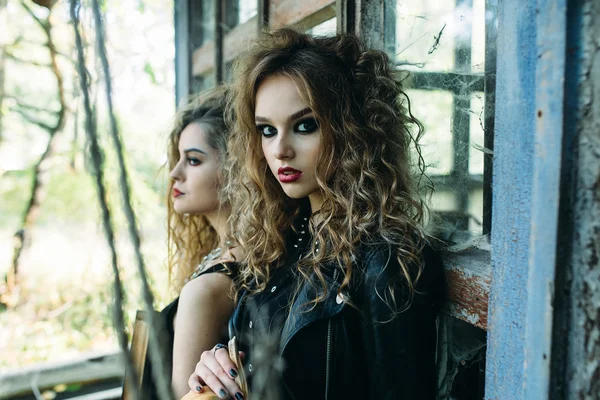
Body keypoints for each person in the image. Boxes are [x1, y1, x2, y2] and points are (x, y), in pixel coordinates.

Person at [188, 28, 446, 400]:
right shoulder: (277, 243)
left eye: (305, 126)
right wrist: (215, 366)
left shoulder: (386, 261)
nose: (280, 150)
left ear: (352, 131)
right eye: (266, 130)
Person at [140, 86, 240, 400]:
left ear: (237, 171)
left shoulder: (207, 289)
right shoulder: (242, 256)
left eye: (193, 161)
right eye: (179, 159)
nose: (174, 173)